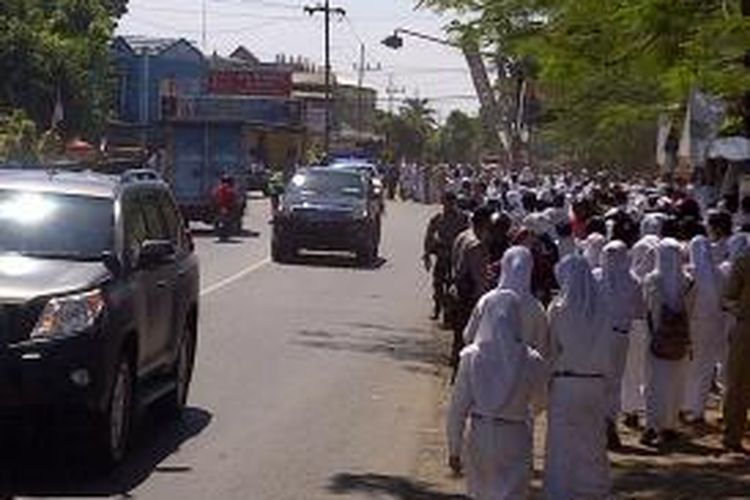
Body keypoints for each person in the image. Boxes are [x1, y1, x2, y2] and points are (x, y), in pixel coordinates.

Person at [447, 291, 547, 500]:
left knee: (480, 492)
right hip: (515, 434)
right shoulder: (531, 359)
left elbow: (457, 408)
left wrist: (454, 449)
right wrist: (524, 413)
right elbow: (540, 401)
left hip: (480, 433)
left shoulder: (472, 357)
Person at [544, 254, 612, 499]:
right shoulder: (603, 308)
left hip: (565, 383)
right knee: (592, 442)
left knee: (562, 444)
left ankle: (560, 492)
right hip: (595, 383)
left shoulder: (559, 308)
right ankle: (593, 490)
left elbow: (550, 349)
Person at [641, 239, 694, 447]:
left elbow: (647, 307)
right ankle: (670, 425)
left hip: (657, 341)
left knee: (655, 385)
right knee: (676, 382)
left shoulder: (653, 280)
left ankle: (654, 426)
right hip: (680, 341)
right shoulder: (688, 281)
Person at [464, 246, 551, 358]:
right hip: (521, 371)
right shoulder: (536, 308)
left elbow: (469, 336)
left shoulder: (487, 300)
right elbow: (543, 349)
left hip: (487, 369)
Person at [596, 241, 641, 449]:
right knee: (613, 382)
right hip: (619, 336)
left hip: (598, 336)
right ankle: (607, 423)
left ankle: (599, 424)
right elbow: (638, 311)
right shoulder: (632, 281)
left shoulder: (595, 277)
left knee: (599, 379)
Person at [682, 236, 724, 424]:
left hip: (693, 325)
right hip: (714, 325)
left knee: (688, 366)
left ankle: (684, 406)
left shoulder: (689, 273)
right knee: (705, 367)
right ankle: (698, 410)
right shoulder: (718, 273)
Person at [451, 206, 495, 379]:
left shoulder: (462, 236)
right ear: (484, 222)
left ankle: (456, 373)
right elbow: (480, 279)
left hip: (458, 291)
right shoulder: (477, 245)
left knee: (458, 338)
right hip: (469, 297)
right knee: (469, 339)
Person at [621, 235, 658, 429]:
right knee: (641, 371)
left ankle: (631, 409)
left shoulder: (633, 277)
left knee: (632, 372)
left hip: (635, 329)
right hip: (645, 328)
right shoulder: (641, 277)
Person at [722, 236, 750, 453]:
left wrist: (739, 310)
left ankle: (733, 435)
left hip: (745, 328)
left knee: (738, 384)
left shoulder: (743, 262)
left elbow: (727, 298)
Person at [423, 192, 470, 321]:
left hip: (456, 256)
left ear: (454, 203)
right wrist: (427, 254)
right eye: (445, 202)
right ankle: (437, 308)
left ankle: (450, 312)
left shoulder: (463, 219)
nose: (447, 205)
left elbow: (468, 237)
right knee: (438, 284)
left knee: (453, 285)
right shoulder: (437, 218)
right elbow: (429, 236)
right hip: (442, 255)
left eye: (450, 202)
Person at [212, 174, 239, 239]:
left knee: (217, 218)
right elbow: (234, 198)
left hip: (220, 207)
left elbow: (213, 196)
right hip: (227, 207)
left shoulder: (218, 188)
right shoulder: (230, 189)